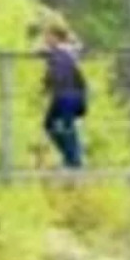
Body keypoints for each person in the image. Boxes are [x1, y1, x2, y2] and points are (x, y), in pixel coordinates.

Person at [40, 23, 87, 168]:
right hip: (60, 94)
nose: (46, 39)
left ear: (56, 37)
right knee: (49, 125)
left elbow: (61, 69)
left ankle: (74, 161)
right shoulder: (56, 51)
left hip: (69, 94)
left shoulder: (65, 51)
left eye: (48, 36)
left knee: (67, 127)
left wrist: (48, 84)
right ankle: (70, 157)